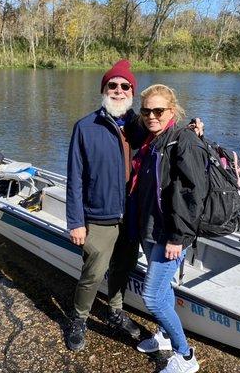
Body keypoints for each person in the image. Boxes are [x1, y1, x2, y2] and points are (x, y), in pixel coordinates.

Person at [65, 60, 145, 351]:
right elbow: (74, 177)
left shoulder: (141, 127)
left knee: (124, 267)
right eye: (113, 85)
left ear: (132, 93)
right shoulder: (86, 127)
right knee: (93, 273)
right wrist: (75, 221)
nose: (119, 91)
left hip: (132, 216)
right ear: (104, 89)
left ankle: (114, 310)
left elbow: (169, 130)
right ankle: (78, 318)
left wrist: (194, 130)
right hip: (98, 217)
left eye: (125, 86)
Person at [130, 84, 208, 373]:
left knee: (151, 296)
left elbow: (193, 193)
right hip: (150, 229)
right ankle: (164, 335)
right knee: (162, 290)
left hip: (170, 235)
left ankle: (185, 356)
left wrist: (178, 237)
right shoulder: (154, 140)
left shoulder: (182, 140)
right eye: (147, 110)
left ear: (171, 111)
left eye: (159, 111)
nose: (152, 116)